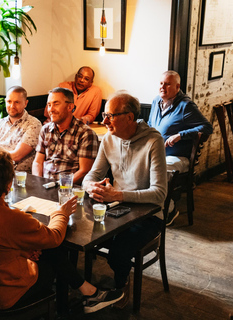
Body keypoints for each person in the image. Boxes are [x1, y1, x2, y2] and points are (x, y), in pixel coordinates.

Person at [0, 145, 123, 314]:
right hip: (4, 297)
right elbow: (54, 237)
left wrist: (23, 251)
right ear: (9, 184)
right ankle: (81, 300)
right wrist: (59, 213)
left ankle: (89, 291)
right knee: (54, 251)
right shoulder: (13, 219)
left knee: (40, 248)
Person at [83, 92, 167, 308]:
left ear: (129, 118)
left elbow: (159, 194)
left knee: (118, 253)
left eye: (111, 115)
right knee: (80, 238)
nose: (104, 121)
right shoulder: (109, 138)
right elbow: (90, 176)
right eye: (104, 114)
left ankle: (121, 287)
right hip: (116, 210)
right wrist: (90, 186)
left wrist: (118, 195)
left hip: (148, 215)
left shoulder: (153, 140)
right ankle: (83, 287)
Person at [148, 71, 213, 224]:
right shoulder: (156, 101)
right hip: (157, 152)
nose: (163, 87)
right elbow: (151, 125)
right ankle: (148, 210)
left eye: (167, 84)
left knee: (161, 169)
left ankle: (169, 208)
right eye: (161, 83)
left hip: (177, 157)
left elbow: (207, 127)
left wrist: (180, 135)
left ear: (177, 87)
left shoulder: (185, 106)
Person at [33, 87, 99, 183]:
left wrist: (60, 186)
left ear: (70, 107)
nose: (51, 109)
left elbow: (84, 171)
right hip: (44, 185)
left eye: (56, 104)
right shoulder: (45, 129)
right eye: (49, 105)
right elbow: (37, 162)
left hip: (69, 189)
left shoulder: (85, 133)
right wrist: (38, 182)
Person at [0, 86, 42, 172]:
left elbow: (17, 156)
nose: (12, 106)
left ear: (25, 103)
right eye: (9, 101)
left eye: (17, 102)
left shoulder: (34, 124)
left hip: (20, 176)